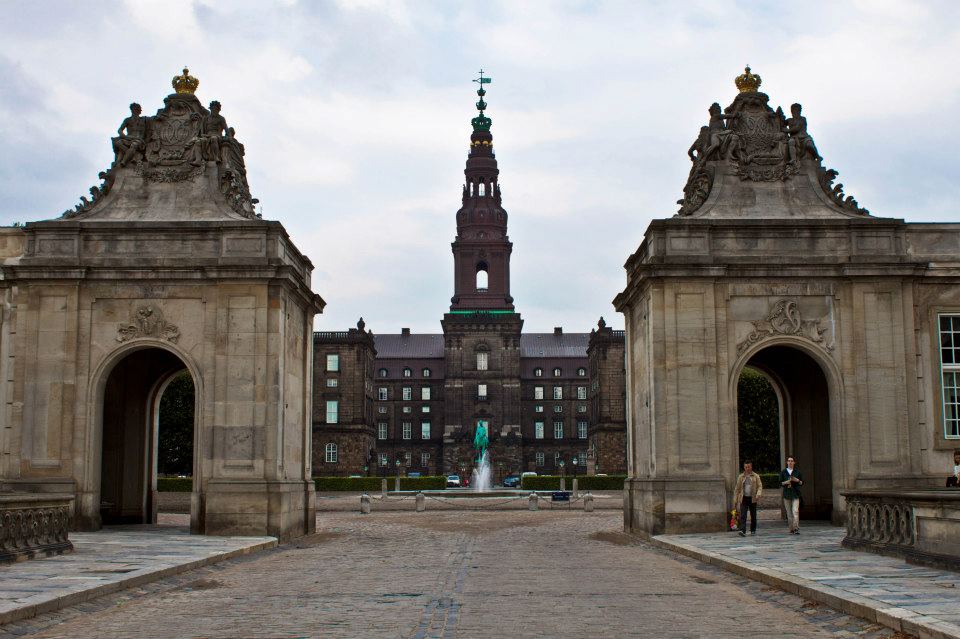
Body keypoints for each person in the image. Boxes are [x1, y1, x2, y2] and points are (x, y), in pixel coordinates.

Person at [733, 460, 763, 536]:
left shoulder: (756, 476)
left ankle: (753, 529)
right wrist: (735, 499)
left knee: (753, 515)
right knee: (743, 515)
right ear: (744, 467)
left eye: (748, 467)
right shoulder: (741, 476)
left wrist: (758, 494)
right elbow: (737, 488)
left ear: (751, 467)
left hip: (753, 498)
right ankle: (742, 530)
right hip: (743, 498)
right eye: (746, 467)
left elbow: (760, 486)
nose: (747, 468)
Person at [780, 456, 804, 534]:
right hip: (787, 494)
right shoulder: (783, 472)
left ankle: (796, 528)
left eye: (792, 461)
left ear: (794, 462)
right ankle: (791, 528)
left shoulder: (797, 472)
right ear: (787, 462)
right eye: (789, 461)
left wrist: (797, 480)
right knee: (789, 513)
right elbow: (780, 483)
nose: (790, 462)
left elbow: (802, 483)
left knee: (795, 511)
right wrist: (786, 482)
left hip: (795, 494)